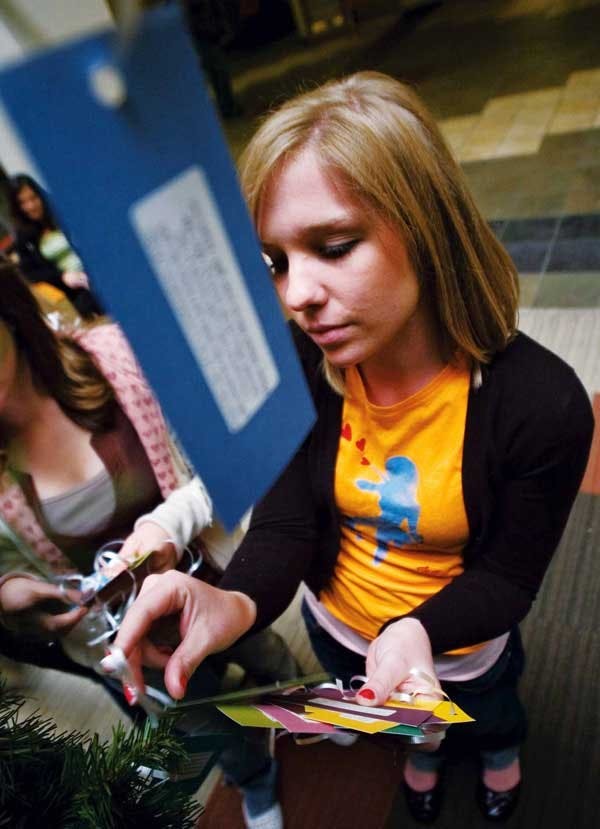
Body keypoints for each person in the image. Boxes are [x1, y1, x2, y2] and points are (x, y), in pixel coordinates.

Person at [110, 71, 594, 824]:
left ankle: (502, 752)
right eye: (275, 261)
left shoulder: (542, 402)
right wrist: (233, 599)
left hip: (461, 642)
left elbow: (509, 573)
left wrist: (418, 630)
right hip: (337, 628)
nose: (296, 294)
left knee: (489, 713)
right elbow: (287, 522)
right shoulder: (301, 362)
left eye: (333, 247)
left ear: (428, 226)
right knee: (416, 728)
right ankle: (429, 750)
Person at [0, 264, 295, 829]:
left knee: (264, 653)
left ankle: (294, 706)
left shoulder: (118, 355)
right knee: (200, 716)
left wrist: (166, 529)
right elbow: (7, 569)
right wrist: (13, 594)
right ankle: (254, 778)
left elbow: (226, 465)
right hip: (134, 636)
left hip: (215, 574)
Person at [6, 173, 103, 319]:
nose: (31, 206)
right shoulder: (24, 237)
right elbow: (30, 272)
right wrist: (62, 276)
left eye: (33, 198)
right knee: (87, 306)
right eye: (23, 203)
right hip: (77, 288)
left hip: (98, 271)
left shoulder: (63, 212)